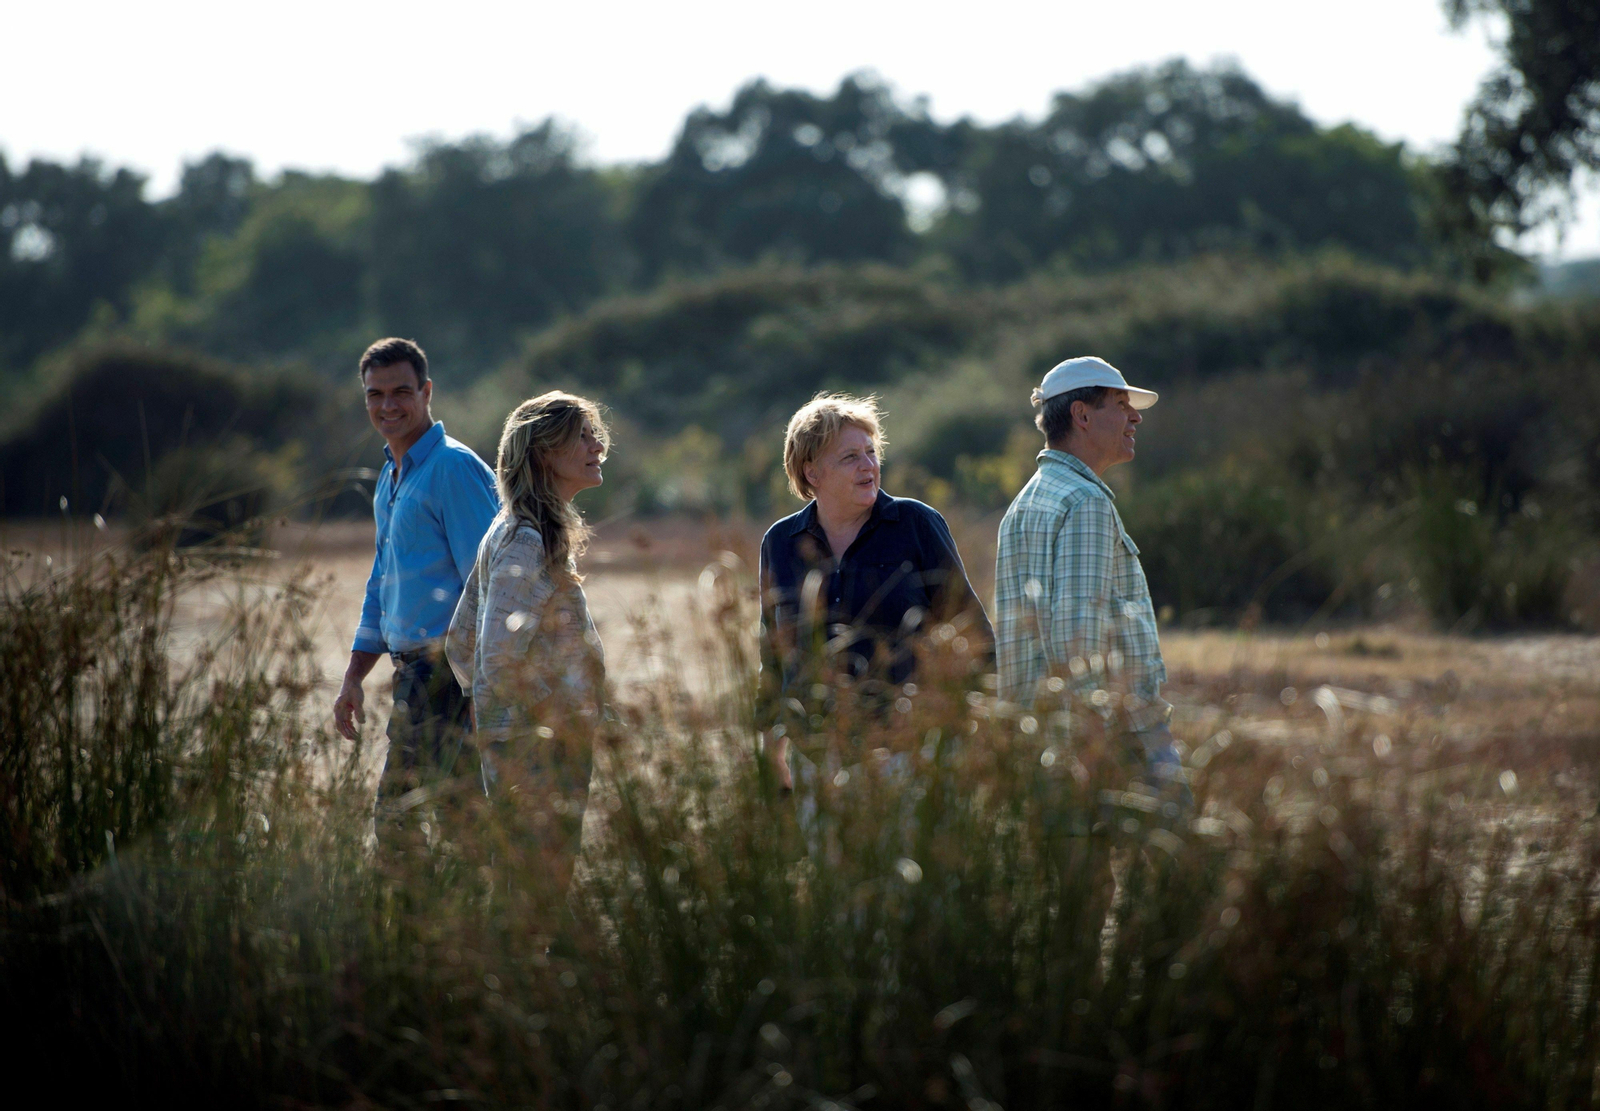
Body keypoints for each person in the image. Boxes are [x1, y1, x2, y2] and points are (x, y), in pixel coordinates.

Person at [758, 393, 993, 790]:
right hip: (815, 756)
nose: (869, 466)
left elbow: (972, 632)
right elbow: (773, 655)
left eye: (871, 452)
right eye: (850, 457)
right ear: (812, 472)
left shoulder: (915, 524)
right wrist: (771, 750)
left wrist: (981, 734)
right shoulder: (780, 541)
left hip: (909, 752)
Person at [993, 356, 1185, 803]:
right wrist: (1098, 742)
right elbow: (1076, 640)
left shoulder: (1023, 504)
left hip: (1037, 738)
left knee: (1079, 870)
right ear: (1081, 415)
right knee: (1177, 851)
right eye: (1120, 404)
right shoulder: (1085, 502)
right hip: (1109, 732)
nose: (1135, 416)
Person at [332, 338, 500, 831]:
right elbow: (383, 584)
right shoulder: (390, 477)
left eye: (401, 391)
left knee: (396, 820)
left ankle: (406, 909)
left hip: (449, 673)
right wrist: (353, 677)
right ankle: (481, 909)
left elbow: (490, 586)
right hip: (412, 674)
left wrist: (479, 693)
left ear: (427, 392)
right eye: (375, 394)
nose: (388, 406)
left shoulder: (453, 468)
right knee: (461, 823)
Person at [445, 392, 608, 863]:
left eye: (595, 434)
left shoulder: (524, 529)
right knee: (537, 883)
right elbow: (492, 659)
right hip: (537, 751)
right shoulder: (524, 539)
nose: (597, 447)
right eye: (582, 436)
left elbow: (461, 642)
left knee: (531, 879)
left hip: (530, 744)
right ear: (543, 451)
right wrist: (552, 721)